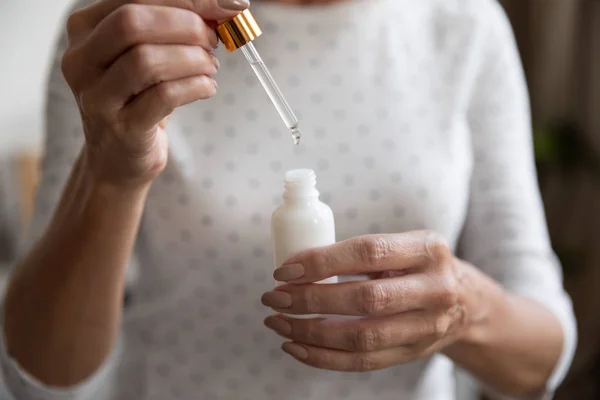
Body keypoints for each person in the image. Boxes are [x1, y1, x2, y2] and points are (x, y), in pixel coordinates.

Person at [0, 0, 577, 399]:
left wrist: (462, 310)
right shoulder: (126, 41)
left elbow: (541, 359)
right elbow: (41, 377)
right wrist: (112, 175)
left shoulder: (463, 24)